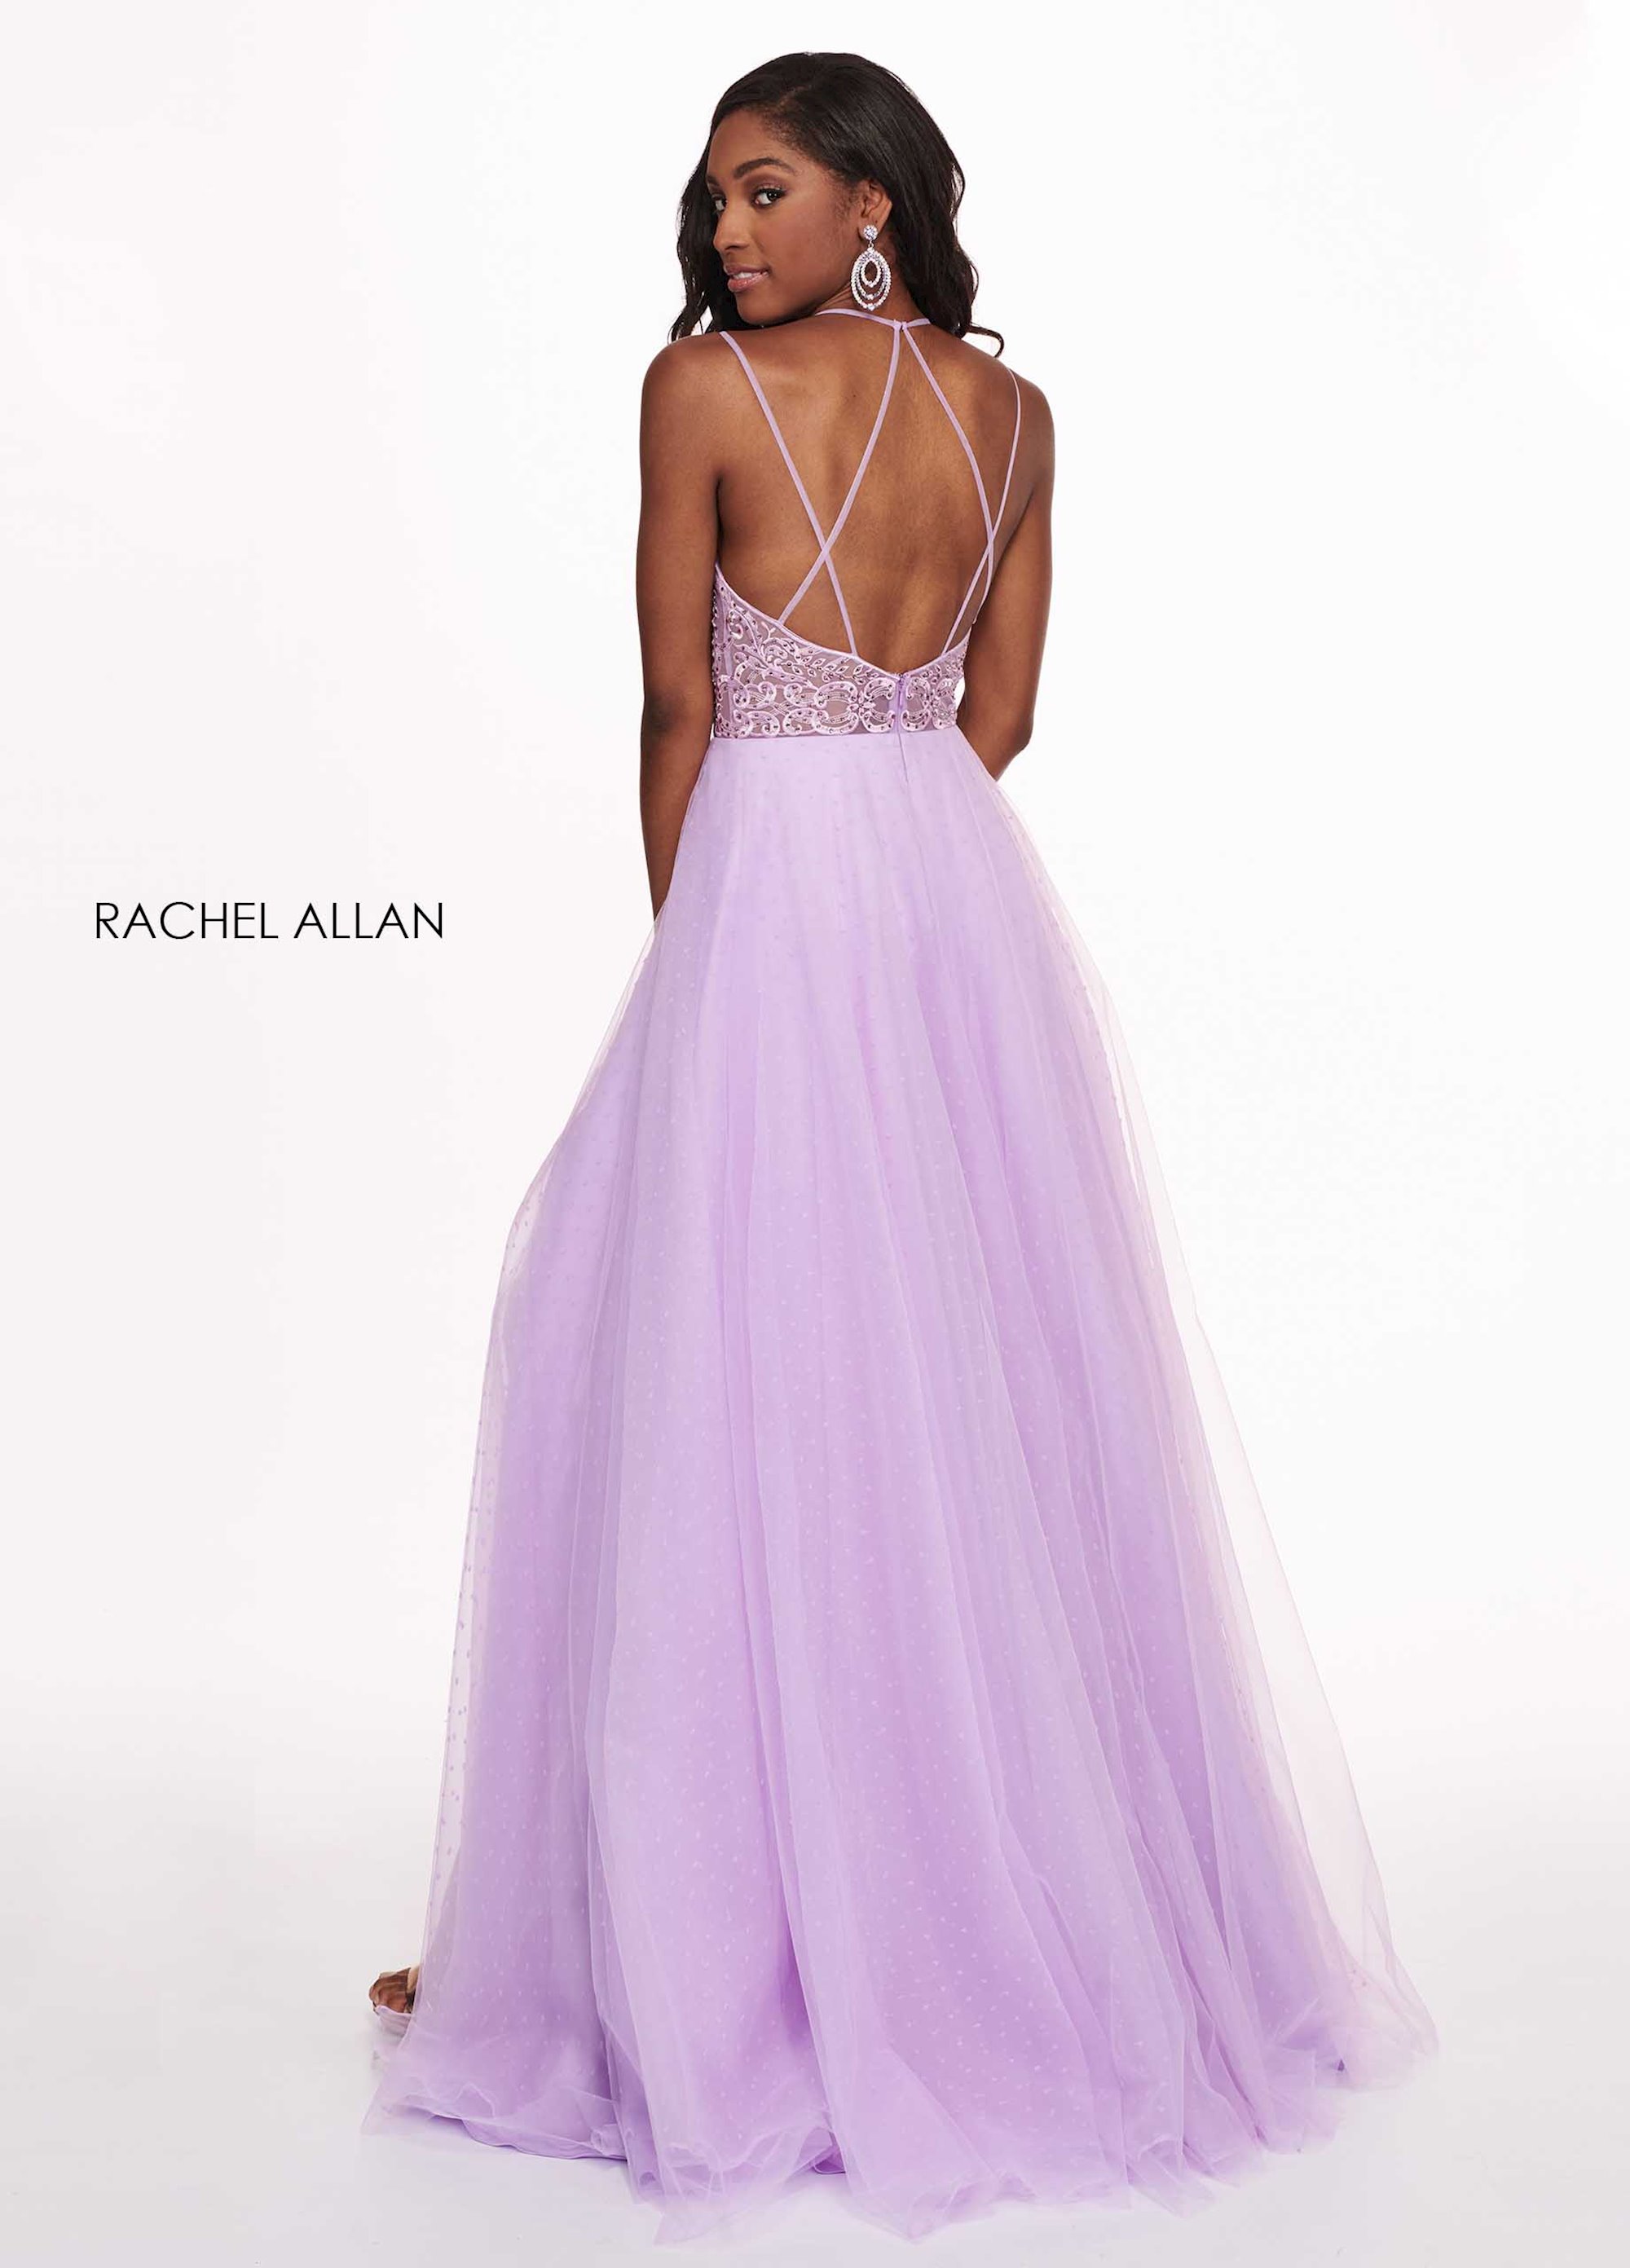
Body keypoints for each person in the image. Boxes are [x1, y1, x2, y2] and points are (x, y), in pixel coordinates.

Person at [362, 48, 1438, 2245]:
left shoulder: (697, 394)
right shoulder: (1014, 418)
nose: (726, 235)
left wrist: (710, 944)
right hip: (951, 907)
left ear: (874, 201)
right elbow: (999, 714)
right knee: (959, 1400)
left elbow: (678, 702)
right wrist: (887, 832)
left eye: (765, 191)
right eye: (714, 201)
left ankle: (684, 1978)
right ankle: (972, 1937)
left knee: (718, 1389)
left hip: (767, 894)